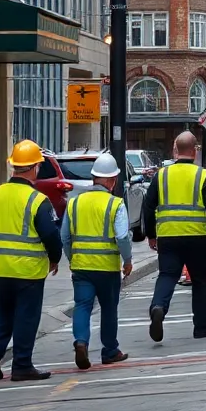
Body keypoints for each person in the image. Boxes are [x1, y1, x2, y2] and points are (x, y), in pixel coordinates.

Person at [0, 139, 62, 382]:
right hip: (28, 270)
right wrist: (55, 258)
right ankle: (21, 365)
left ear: (14, 167)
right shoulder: (37, 200)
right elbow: (50, 234)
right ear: (33, 168)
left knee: (4, 311)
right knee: (26, 316)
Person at [144, 130, 206, 342]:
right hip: (197, 238)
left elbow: (148, 206)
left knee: (167, 275)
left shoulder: (161, 175)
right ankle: (201, 326)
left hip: (168, 238)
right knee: (200, 280)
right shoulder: (202, 176)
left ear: (175, 149)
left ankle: (158, 306)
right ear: (195, 150)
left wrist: (151, 235)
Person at [60, 152, 132, 369]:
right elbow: (121, 237)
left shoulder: (74, 203)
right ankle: (110, 350)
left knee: (82, 305)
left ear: (94, 177)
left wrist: (73, 258)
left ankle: (81, 342)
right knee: (109, 308)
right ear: (112, 180)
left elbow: (64, 236)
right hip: (107, 268)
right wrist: (127, 260)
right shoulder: (116, 204)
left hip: (81, 267)